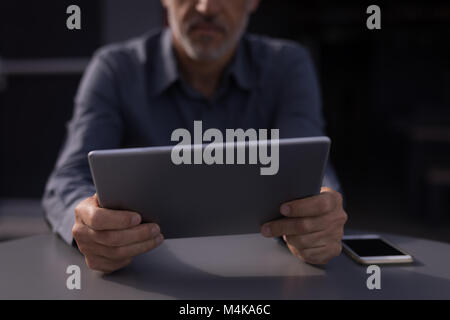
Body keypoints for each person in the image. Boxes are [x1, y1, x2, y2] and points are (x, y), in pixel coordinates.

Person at [43, 0, 347, 273]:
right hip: (146, 270)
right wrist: (87, 224)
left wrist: (320, 216)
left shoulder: (288, 66)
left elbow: (312, 173)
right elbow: (67, 181)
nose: (206, 8)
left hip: (265, 272)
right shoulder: (115, 69)